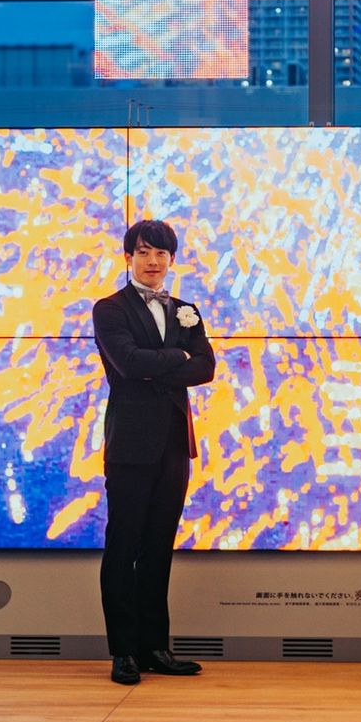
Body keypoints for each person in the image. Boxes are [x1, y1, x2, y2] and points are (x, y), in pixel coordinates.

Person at [93, 218, 216, 686]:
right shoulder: (110, 309)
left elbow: (206, 368)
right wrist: (177, 359)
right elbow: (127, 363)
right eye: (143, 252)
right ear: (128, 257)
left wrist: (163, 365)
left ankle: (155, 647)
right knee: (123, 547)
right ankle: (124, 651)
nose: (152, 261)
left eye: (161, 253)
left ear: (172, 259)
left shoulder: (187, 311)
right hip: (130, 444)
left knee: (159, 547)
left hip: (174, 445)